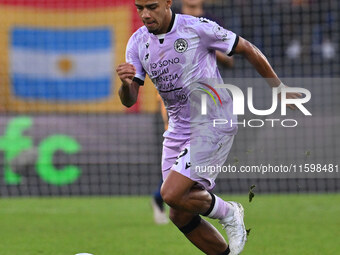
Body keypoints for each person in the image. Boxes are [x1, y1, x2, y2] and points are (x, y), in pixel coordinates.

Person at [116, 0, 300, 254]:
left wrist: (278, 87)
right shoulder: (136, 42)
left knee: (169, 194)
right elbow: (129, 99)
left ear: (168, 2)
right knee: (178, 215)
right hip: (178, 129)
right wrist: (126, 84)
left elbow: (246, 47)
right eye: (139, 8)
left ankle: (229, 211)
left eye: (152, 6)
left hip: (213, 121)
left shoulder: (196, 27)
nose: (145, 14)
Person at [151, 0, 234, 226]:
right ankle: (225, 211)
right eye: (191, 7)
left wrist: (208, 52)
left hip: (210, 109)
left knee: (183, 180)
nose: (195, 10)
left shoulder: (208, 26)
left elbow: (232, 59)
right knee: (179, 179)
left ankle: (162, 198)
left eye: (198, 7)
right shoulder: (170, 28)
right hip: (179, 109)